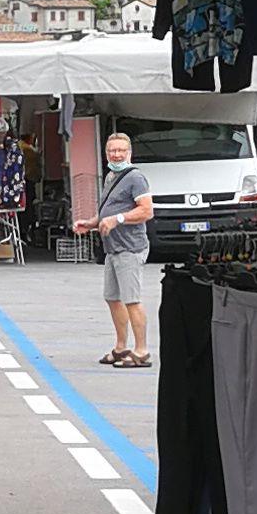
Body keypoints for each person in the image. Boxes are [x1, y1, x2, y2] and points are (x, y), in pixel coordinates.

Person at [92, 127, 154, 367]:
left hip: (130, 248)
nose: (116, 155)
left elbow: (146, 210)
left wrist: (117, 220)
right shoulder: (110, 176)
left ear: (130, 153)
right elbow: (109, 210)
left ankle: (141, 352)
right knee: (112, 298)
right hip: (113, 249)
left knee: (131, 300)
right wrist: (91, 222)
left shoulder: (135, 178)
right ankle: (121, 347)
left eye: (121, 150)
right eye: (112, 150)